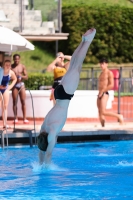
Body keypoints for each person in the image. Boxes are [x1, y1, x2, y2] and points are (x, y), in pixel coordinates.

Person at [37, 28, 96, 165]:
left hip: (65, 95)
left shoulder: (52, 131)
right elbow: (41, 152)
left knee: (76, 66)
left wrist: (45, 167)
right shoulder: (44, 128)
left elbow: (48, 154)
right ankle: (83, 41)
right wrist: (40, 162)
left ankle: (87, 41)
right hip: (59, 94)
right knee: (75, 66)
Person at [97, 58, 124, 127]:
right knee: (100, 112)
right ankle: (102, 126)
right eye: (100, 64)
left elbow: (111, 85)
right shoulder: (101, 73)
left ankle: (119, 116)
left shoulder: (109, 73)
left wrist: (103, 91)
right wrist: (100, 92)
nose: (101, 65)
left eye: (103, 64)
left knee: (103, 112)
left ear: (106, 64)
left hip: (104, 93)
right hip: (99, 93)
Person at [11, 54, 29, 124]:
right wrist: (14, 77)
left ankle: (24, 118)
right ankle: (15, 118)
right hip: (15, 85)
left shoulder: (22, 66)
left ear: (19, 59)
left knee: (23, 101)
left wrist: (21, 76)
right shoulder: (11, 67)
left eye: (18, 59)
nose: (16, 60)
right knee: (14, 102)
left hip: (21, 84)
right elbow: (9, 77)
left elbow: (26, 76)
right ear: (13, 59)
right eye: (15, 59)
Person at [0, 60, 17, 128]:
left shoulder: (11, 72)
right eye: (6, 65)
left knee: (5, 106)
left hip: (5, 89)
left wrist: (10, 86)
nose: (8, 66)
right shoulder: (0, 71)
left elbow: (15, 79)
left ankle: (4, 124)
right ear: (4, 65)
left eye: (9, 65)